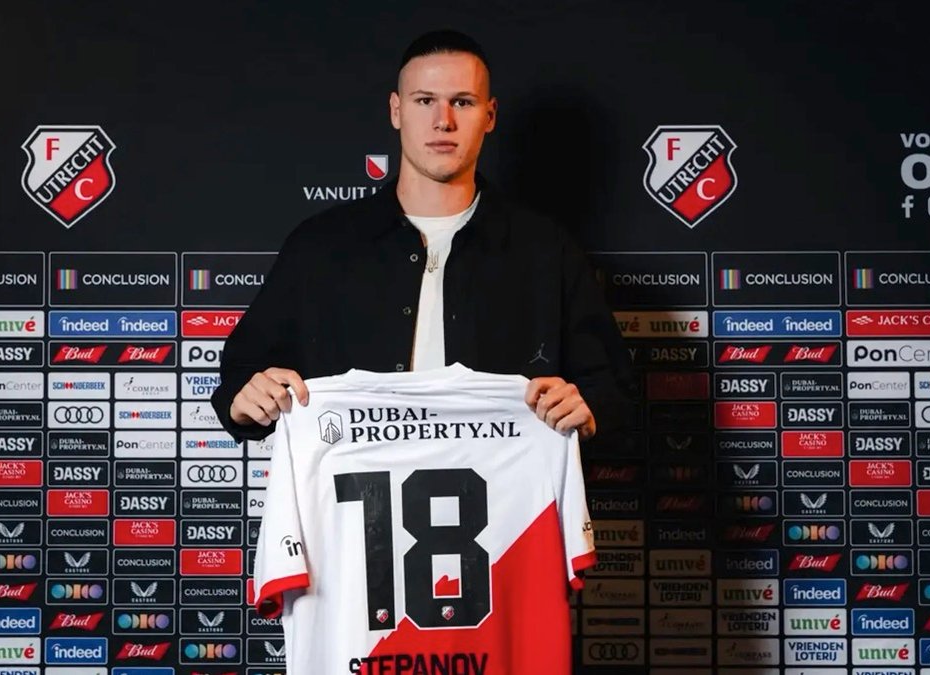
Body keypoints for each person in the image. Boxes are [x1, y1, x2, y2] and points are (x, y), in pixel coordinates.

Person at [210, 29, 634, 451]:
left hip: (508, 493)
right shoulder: (319, 247)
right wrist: (246, 399)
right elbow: (241, 377)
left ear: (489, 116)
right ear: (396, 111)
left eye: (462, 102)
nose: (443, 120)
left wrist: (587, 409)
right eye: (424, 100)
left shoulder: (546, 250)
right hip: (352, 493)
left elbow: (612, 392)